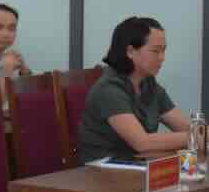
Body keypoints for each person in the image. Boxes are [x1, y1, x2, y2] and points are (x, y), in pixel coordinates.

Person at [77, 16, 189, 162]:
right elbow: (143, 143)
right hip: (102, 171)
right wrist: (195, 138)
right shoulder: (109, 89)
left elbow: (185, 126)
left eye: (164, 50)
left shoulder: (149, 85)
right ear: (130, 51)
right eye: (156, 51)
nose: (162, 58)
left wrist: (194, 137)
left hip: (137, 166)